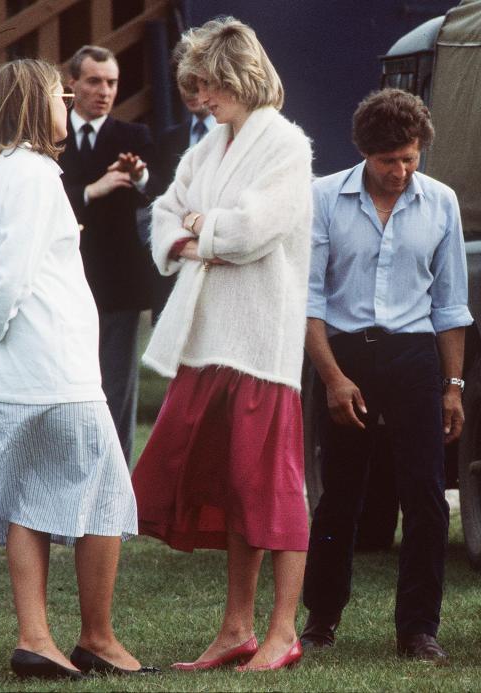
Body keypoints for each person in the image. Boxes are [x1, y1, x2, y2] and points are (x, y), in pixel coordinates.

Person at [0, 59, 152, 679]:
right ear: (37, 104)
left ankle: (37, 638)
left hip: (10, 376)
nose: (68, 103)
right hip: (56, 368)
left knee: (26, 502)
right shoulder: (37, 175)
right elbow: (11, 272)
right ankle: (97, 637)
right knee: (107, 494)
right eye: (61, 94)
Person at [129, 16, 312, 672]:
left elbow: (254, 231)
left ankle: (283, 629)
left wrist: (200, 231)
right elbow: (162, 217)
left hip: (262, 342)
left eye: (207, 85)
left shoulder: (287, 145)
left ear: (236, 75)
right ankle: (236, 627)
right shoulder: (207, 150)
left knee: (270, 485)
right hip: (206, 341)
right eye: (195, 87)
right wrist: (195, 232)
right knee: (227, 482)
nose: (200, 99)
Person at [299, 88, 472, 664]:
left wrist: (453, 386)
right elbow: (309, 299)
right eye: (387, 161)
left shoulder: (441, 202)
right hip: (343, 355)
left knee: (424, 496)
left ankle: (419, 629)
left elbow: (451, 304)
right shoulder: (323, 198)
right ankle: (320, 620)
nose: (399, 171)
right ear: (363, 153)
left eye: (410, 158)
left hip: (415, 357)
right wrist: (332, 378)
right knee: (340, 495)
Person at [59, 45, 154, 463]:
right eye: (94, 81)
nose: (104, 91)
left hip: (118, 287)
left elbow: (166, 197)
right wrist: (89, 192)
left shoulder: (135, 138)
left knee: (116, 392)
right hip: (64, 283)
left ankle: (114, 497)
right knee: (67, 389)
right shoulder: (52, 135)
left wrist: (141, 177)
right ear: (72, 83)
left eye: (111, 83)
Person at [147, 47, 217, 323]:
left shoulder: (239, 138)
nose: (190, 91)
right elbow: (162, 204)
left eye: (196, 81)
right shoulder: (168, 139)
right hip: (179, 265)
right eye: (182, 82)